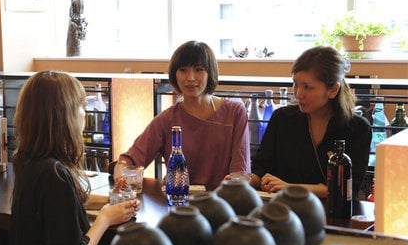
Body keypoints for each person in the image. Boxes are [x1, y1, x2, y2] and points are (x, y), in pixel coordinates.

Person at [0, 71, 140, 245]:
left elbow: (59, 216)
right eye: (81, 106)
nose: (85, 113)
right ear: (62, 115)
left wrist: (109, 202)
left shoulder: (31, 163)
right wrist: (105, 218)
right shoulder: (54, 174)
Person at [115, 40, 251, 190]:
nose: (190, 78)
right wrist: (122, 174)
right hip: (178, 204)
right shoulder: (166, 119)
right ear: (175, 74)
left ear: (210, 73)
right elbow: (130, 160)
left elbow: (240, 173)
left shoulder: (235, 113)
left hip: (223, 205)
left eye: (199, 70)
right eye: (183, 70)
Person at [250, 46, 372, 199]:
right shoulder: (282, 119)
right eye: (295, 84)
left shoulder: (357, 128)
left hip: (331, 213)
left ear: (333, 89)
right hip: (281, 212)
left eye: (307, 87)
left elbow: (348, 187)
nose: (299, 94)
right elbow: (261, 169)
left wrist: (291, 188)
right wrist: (244, 180)